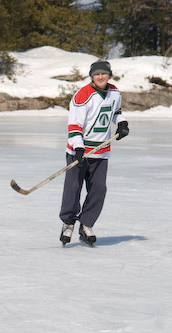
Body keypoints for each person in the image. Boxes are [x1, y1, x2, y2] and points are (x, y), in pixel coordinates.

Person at [59, 60, 129, 246]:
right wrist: (78, 148)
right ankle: (68, 223)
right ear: (92, 76)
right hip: (79, 150)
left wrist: (121, 122)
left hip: (101, 151)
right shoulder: (82, 96)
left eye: (103, 74)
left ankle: (86, 224)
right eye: (97, 74)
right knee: (73, 188)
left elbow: (115, 112)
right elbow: (74, 126)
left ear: (109, 75)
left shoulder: (114, 92)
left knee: (99, 190)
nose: (100, 76)